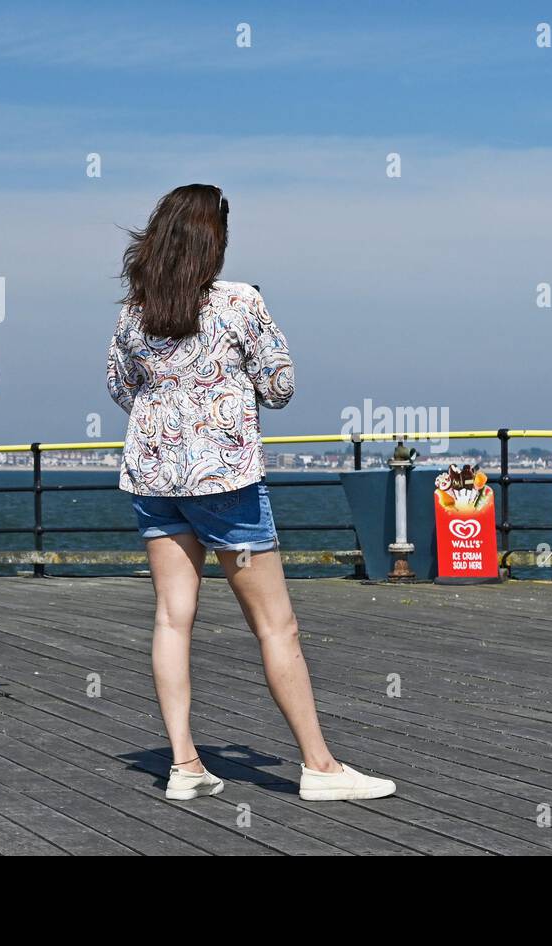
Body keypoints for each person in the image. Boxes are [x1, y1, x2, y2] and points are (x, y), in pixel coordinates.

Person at [108, 184, 396, 802]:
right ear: (216, 241)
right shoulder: (239, 302)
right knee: (275, 626)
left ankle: (184, 764)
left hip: (156, 478)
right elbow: (281, 386)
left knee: (171, 617)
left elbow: (119, 386)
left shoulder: (135, 310)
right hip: (225, 484)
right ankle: (319, 766)